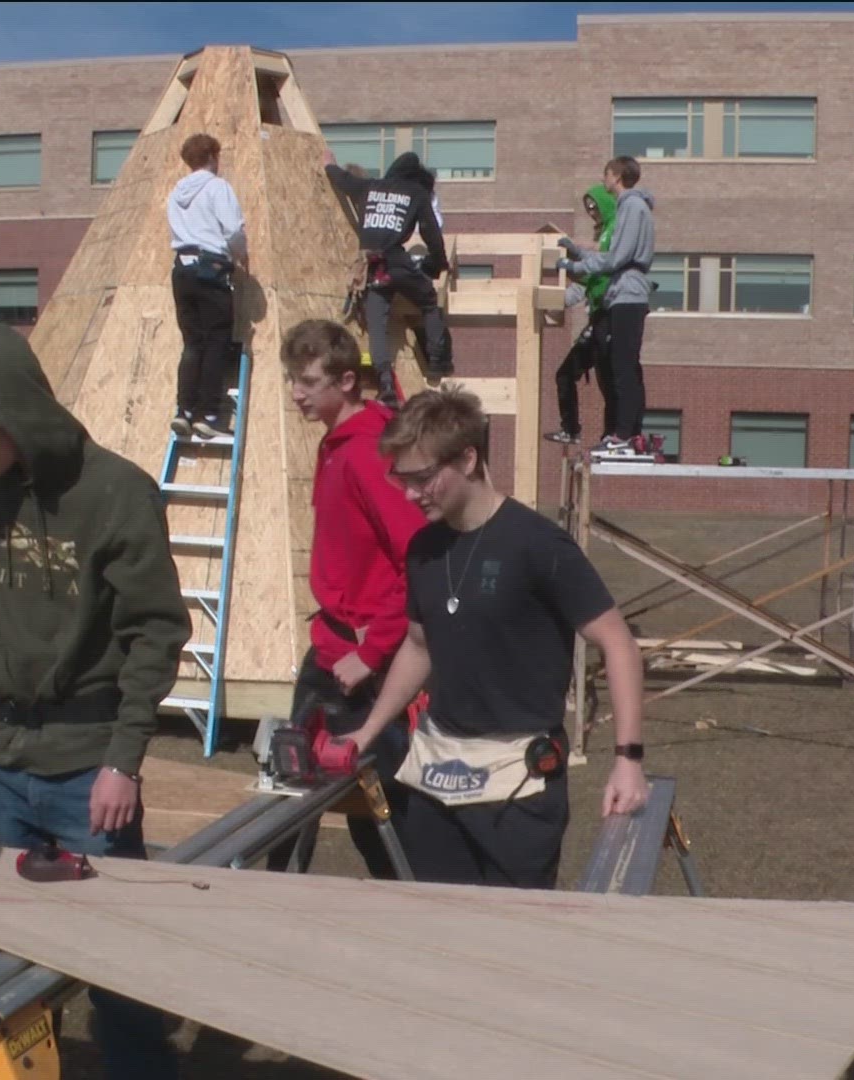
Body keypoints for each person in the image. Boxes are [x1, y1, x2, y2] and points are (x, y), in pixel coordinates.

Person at [0, 322, 192, 1080]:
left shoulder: (116, 493)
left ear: (16, 409)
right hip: (5, 763)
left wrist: (123, 761)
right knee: (5, 958)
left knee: (115, 964)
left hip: (86, 769)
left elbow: (155, 635)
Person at [340, 387, 650, 888]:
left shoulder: (538, 544)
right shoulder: (423, 548)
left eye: (422, 478)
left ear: (467, 458)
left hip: (518, 789)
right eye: (402, 478)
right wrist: (367, 731)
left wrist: (628, 761)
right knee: (437, 938)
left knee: (511, 944)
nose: (410, 493)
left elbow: (617, 644)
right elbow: (418, 647)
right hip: (435, 780)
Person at [268, 320, 428, 878]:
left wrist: (377, 646)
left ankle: (417, 913)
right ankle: (275, 905)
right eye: (292, 379)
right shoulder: (336, 444)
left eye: (308, 381)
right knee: (293, 796)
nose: (296, 392)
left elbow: (420, 560)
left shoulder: (368, 454)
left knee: (374, 809)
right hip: (333, 646)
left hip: (363, 661)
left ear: (346, 381)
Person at [325, 149, 451, 407]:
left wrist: (329, 165)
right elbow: (432, 235)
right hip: (397, 263)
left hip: (371, 268)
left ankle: (385, 386)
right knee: (428, 302)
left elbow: (343, 181)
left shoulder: (370, 187)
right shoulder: (415, 194)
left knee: (377, 327)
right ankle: (438, 362)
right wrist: (438, 264)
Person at [560, 156, 655, 458]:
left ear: (615, 176)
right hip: (623, 293)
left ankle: (625, 435)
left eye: (605, 175)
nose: (604, 180)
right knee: (622, 366)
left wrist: (574, 263)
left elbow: (616, 256)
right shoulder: (634, 207)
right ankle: (627, 433)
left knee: (623, 368)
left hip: (627, 294)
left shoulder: (630, 206)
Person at [167, 133, 247, 440]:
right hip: (210, 268)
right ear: (213, 156)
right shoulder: (218, 187)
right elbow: (233, 229)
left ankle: (184, 411)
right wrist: (241, 254)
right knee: (216, 342)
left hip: (181, 270)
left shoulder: (176, 192)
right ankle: (209, 415)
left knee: (192, 342)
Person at [547, 184, 620, 446]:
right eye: (587, 207)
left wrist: (575, 256)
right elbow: (581, 286)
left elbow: (603, 264)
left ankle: (612, 437)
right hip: (596, 318)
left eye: (594, 206)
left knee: (608, 380)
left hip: (611, 315)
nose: (591, 211)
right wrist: (551, 301)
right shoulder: (602, 234)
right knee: (565, 374)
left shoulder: (615, 232)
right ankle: (571, 429)